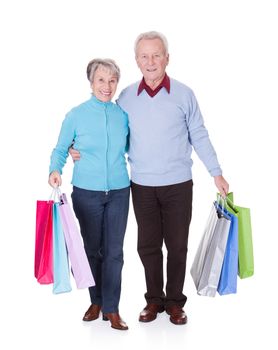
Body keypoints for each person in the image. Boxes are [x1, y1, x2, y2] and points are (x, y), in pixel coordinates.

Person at [70, 31, 229, 325]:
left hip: (178, 183)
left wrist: (216, 172)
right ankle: (153, 301)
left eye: (157, 55)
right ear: (136, 61)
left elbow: (200, 135)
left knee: (178, 245)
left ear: (167, 58)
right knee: (148, 246)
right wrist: (74, 147)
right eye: (144, 56)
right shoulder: (126, 97)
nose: (151, 61)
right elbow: (108, 133)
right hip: (141, 185)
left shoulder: (184, 94)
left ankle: (175, 303)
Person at [48, 58, 130, 331]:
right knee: (92, 251)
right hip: (87, 193)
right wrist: (55, 170)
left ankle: (112, 308)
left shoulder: (122, 115)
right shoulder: (76, 114)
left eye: (112, 81)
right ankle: (95, 302)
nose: (107, 86)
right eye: (101, 80)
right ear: (91, 83)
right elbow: (60, 148)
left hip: (119, 190)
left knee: (114, 252)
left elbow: (132, 148)